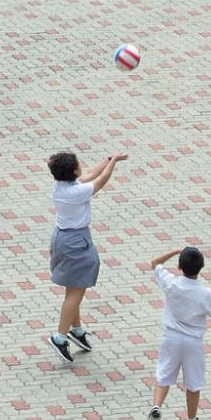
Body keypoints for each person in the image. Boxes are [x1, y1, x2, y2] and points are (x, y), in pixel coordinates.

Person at [47, 151, 128, 363]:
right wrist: (114, 164)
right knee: (77, 290)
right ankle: (60, 337)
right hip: (76, 242)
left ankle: (77, 330)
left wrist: (107, 159)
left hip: (63, 239)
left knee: (73, 287)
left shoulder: (64, 186)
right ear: (73, 171)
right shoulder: (77, 192)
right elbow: (100, 180)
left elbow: (91, 174)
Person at [143, 246, 211, 420]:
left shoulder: (172, 284)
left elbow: (155, 263)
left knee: (164, 375)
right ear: (201, 267)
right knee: (193, 382)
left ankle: (157, 407)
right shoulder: (205, 293)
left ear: (179, 266)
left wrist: (175, 251)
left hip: (171, 338)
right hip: (193, 342)